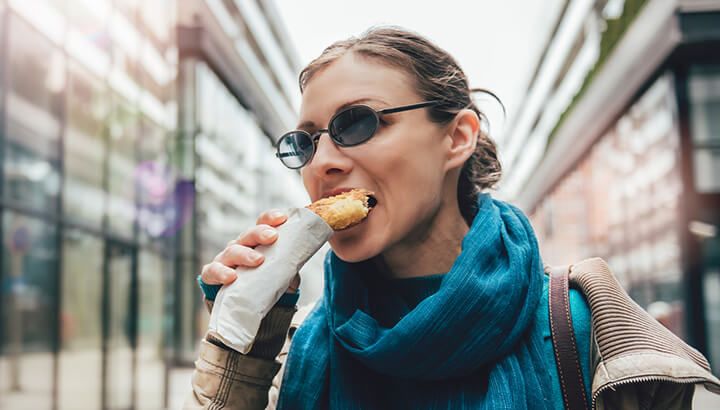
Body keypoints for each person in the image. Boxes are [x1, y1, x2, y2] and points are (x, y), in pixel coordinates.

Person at [185, 27, 718, 410]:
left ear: (457, 137)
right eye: (305, 142)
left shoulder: (590, 332)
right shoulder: (299, 348)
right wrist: (242, 348)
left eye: (357, 123)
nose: (323, 162)